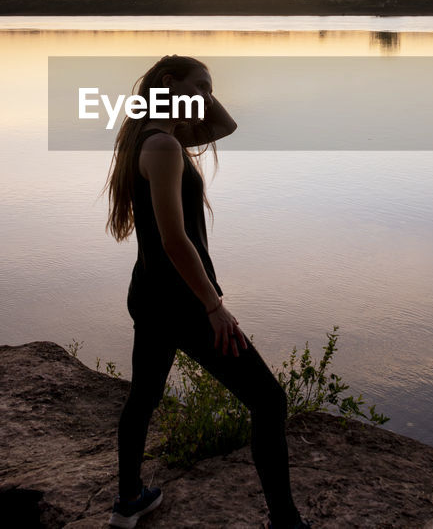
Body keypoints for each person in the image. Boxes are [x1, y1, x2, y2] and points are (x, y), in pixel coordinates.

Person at [104, 54, 310, 529]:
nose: (206, 99)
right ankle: (286, 521)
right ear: (168, 82)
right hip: (183, 300)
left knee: (144, 396)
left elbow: (226, 126)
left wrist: (194, 91)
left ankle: (129, 500)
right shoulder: (164, 146)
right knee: (269, 401)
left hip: (150, 291)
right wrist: (213, 306)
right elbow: (175, 240)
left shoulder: (153, 137)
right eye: (199, 87)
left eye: (208, 90)